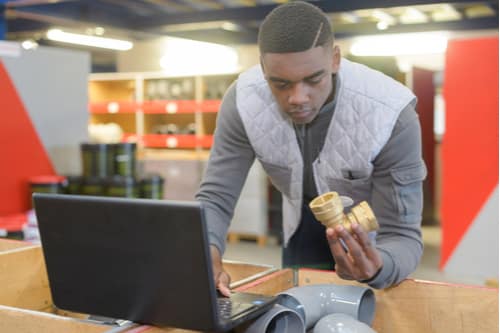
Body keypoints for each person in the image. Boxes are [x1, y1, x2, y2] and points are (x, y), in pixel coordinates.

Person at [196, 1, 426, 294]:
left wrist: (381, 267)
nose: (297, 98)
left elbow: (403, 235)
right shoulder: (243, 102)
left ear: (334, 59)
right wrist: (207, 253)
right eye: (280, 84)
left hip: (374, 244)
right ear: (262, 67)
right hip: (299, 229)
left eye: (313, 80)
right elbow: (216, 196)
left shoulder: (390, 114)